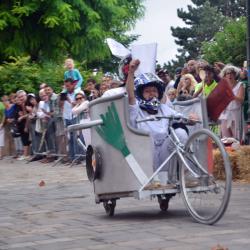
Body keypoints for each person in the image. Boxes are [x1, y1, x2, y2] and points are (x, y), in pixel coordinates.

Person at [126, 59, 194, 186]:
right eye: (147, 91)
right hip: (143, 159)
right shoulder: (136, 110)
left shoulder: (164, 108)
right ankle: (153, 177)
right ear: (140, 94)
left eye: (154, 91)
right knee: (147, 137)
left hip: (164, 156)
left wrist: (190, 119)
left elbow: (179, 117)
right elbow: (130, 95)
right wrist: (131, 72)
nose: (152, 94)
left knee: (180, 132)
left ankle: (186, 174)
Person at [219, 65, 245, 141]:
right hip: (225, 114)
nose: (230, 75)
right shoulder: (223, 86)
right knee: (225, 139)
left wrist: (232, 95)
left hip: (236, 114)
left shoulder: (241, 85)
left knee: (237, 139)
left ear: (235, 74)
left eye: (232, 73)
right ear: (225, 75)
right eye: (228, 73)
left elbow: (241, 99)